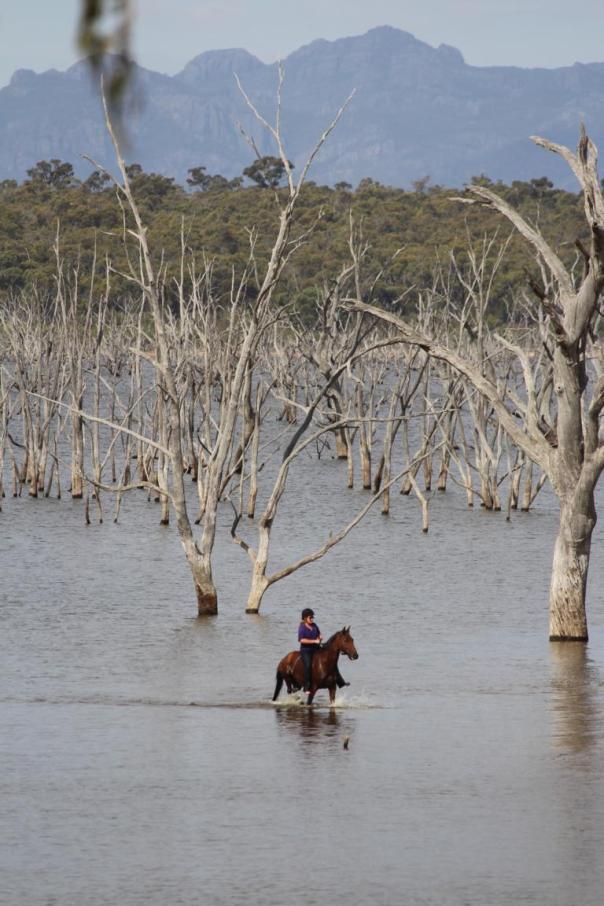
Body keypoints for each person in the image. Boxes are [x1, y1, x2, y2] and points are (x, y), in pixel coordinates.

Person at [297, 608, 350, 693]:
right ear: (305, 618)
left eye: (312, 617)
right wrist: (314, 641)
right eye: (310, 617)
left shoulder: (314, 625)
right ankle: (306, 687)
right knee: (308, 666)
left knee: (331, 661)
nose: (312, 619)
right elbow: (301, 640)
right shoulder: (302, 627)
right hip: (306, 650)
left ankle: (340, 682)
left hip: (316, 648)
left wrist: (320, 637)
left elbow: (319, 634)